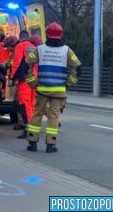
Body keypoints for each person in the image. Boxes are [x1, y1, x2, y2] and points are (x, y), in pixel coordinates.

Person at [25, 22, 81, 153]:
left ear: (47, 34)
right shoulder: (67, 50)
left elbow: (26, 65)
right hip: (58, 90)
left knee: (37, 114)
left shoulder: (39, 49)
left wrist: (32, 82)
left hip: (42, 89)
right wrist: (69, 83)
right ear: (60, 35)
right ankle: (51, 145)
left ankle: (32, 143)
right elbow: (78, 68)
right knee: (54, 117)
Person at [9, 31, 36, 139]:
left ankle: (28, 129)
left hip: (24, 79)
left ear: (20, 38)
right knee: (31, 103)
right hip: (34, 78)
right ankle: (30, 128)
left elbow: (16, 63)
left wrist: (12, 77)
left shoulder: (20, 46)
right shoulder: (34, 47)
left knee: (24, 104)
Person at [3, 35, 24, 130]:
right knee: (19, 101)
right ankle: (22, 122)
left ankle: (23, 123)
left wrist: (11, 78)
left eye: (7, 46)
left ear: (11, 45)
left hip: (22, 80)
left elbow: (15, 65)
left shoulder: (17, 50)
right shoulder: (18, 48)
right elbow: (9, 62)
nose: (7, 49)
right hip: (24, 79)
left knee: (20, 101)